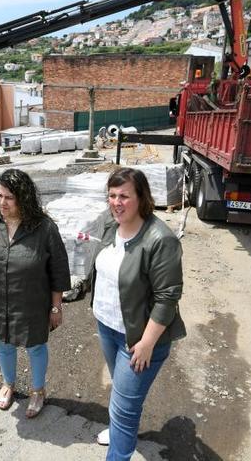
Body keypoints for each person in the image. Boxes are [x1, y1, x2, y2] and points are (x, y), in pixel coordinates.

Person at [89, 167, 186, 460]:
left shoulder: (160, 239)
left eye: (124, 196)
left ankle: (119, 452)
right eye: (112, 195)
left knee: (124, 406)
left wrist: (146, 344)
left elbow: (168, 297)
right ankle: (121, 433)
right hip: (108, 326)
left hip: (139, 339)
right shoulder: (110, 224)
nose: (116, 202)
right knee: (121, 393)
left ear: (141, 198)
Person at [0, 168, 71, 418]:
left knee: (36, 347)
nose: (2, 202)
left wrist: (56, 307)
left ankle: (38, 391)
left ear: (24, 197)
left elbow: (59, 271)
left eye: (9, 197)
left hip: (31, 304)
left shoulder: (44, 228)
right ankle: (8, 383)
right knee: (3, 345)